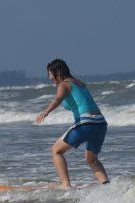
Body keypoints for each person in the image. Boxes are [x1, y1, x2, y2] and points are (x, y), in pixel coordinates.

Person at [35, 59, 109, 188]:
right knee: (92, 159)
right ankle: (106, 186)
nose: (49, 77)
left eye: (50, 73)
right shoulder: (79, 83)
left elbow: (57, 99)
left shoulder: (64, 84)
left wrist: (46, 112)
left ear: (58, 71)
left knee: (56, 150)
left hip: (86, 123)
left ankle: (66, 185)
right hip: (100, 124)